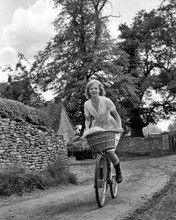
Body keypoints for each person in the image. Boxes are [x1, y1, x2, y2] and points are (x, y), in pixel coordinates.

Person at [84, 79, 123, 183]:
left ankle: (118, 170)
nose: (93, 90)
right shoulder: (87, 104)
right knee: (98, 150)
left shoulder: (106, 101)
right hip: (96, 126)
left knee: (110, 151)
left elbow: (116, 115)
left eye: (95, 88)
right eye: (91, 89)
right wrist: (87, 128)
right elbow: (87, 119)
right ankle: (101, 170)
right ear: (88, 91)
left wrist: (119, 127)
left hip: (110, 126)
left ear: (99, 90)